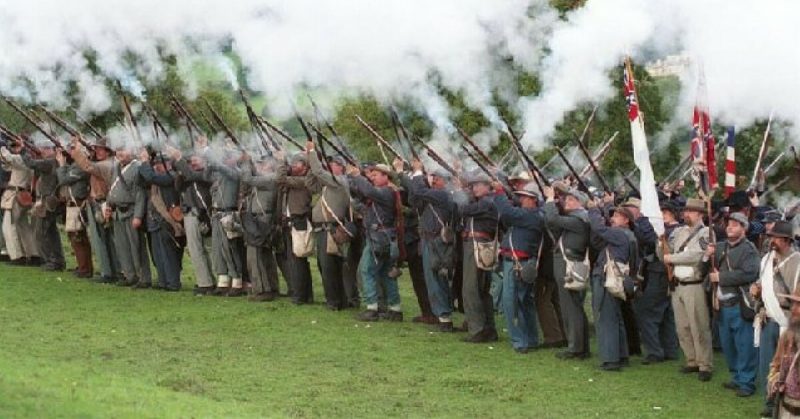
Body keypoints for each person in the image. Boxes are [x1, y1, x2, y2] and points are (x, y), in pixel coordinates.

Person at [707, 212, 761, 397]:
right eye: (729, 223)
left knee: (745, 345)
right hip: (722, 304)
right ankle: (736, 377)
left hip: (740, 303)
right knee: (728, 345)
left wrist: (721, 277)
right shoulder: (720, 247)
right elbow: (706, 265)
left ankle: (747, 382)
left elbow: (750, 273)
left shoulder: (749, 250)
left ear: (744, 229)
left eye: (735, 224)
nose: (730, 227)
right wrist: (708, 254)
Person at [660, 197, 714, 381]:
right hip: (678, 284)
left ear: (699, 214)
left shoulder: (706, 233)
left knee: (699, 325)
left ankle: (704, 364)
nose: (686, 214)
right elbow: (666, 252)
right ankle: (691, 360)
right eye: (685, 211)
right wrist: (660, 242)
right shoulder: (678, 232)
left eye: (690, 211)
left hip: (694, 284)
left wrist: (672, 258)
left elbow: (696, 256)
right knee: (682, 326)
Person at [753, 220, 800, 417]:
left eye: (776, 237)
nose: (772, 240)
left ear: (786, 240)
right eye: (771, 236)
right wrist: (756, 289)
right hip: (768, 318)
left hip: (790, 321)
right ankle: (770, 401)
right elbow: (761, 281)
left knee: (788, 367)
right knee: (768, 365)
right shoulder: (766, 259)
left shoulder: (797, 261)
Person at [348, 163, 403, 321]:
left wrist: (358, 176)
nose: (373, 177)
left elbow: (368, 191)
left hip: (378, 238)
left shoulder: (385, 191)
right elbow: (363, 195)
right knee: (387, 274)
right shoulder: (386, 192)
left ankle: (372, 307)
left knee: (366, 270)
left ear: (386, 176)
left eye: (377, 175)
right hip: (383, 237)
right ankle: (395, 309)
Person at [588, 194, 636, 371]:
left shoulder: (618, 234)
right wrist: (605, 207)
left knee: (606, 318)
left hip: (607, 278)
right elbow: (597, 238)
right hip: (614, 278)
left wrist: (593, 209)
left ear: (625, 220)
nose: (612, 219)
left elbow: (598, 228)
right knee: (615, 318)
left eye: (616, 216)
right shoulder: (626, 235)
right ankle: (621, 355)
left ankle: (610, 360)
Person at [408, 160, 458, 332]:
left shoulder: (442, 194)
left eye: (438, 178)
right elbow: (414, 198)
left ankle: (444, 317)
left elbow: (419, 190)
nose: (434, 180)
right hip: (430, 241)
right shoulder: (435, 195)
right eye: (433, 177)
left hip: (436, 242)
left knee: (436, 280)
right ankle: (442, 316)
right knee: (434, 280)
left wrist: (417, 172)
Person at [495, 183, 545, 353]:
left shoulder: (531, 215)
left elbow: (507, 212)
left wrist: (499, 191)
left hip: (517, 263)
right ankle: (531, 339)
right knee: (524, 303)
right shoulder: (531, 215)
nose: (521, 199)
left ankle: (519, 341)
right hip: (520, 263)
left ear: (533, 200)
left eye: (524, 197)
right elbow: (506, 217)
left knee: (512, 303)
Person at [544, 185, 591, 360]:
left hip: (568, 264)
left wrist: (549, 199)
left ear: (581, 204)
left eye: (572, 199)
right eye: (567, 198)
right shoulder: (577, 218)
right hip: (570, 264)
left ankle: (575, 348)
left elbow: (551, 220)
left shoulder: (578, 219)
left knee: (570, 307)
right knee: (574, 307)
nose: (567, 201)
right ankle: (580, 346)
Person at [457, 171, 499, 343]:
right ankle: (488, 328)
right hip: (479, 245)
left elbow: (465, 210)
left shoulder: (487, 202)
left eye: (478, 185)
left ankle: (478, 329)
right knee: (481, 290)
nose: (474, 188)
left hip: (478, 245)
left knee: (470, 289)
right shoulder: (485, 201)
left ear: (487, 186)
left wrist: (461, 193)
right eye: (473, 185)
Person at [71, 137, 119, 283]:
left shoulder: (105, 165)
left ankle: (107, 273)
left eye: (101, 149)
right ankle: (112, 271)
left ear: (108, 151)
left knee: (100, 240)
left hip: (100, 204)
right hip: (101, 203)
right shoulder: (110, 163)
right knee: (106, 240)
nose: (97, 151)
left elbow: (86, 166)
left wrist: (78, 149)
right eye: (96, 148)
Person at [168, 146, 215, 295]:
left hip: (204, 215)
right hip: (190, 214)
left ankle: (219, 281)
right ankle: (205, 282)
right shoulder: (187, 174)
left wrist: (179, 158)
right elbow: (178, 185)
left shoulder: (206, 173)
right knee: (195, 250)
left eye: (196, 158)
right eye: (191, 159)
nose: (193, 161)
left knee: (210, 250)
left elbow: (191, 174)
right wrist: (179, 168)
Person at [138, 150, 184, 291]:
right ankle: (163, 282)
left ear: (169, 163)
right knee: (158, 254)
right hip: (155, 220)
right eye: (156, 163)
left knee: (169, 254)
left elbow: (151, 177)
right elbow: (141, 180)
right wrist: (145, 164)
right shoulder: (157, 177)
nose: (157, 166)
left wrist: (145, 162)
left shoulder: (171, 176)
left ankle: (173, 283)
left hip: (168, 220)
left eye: (160, 163)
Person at [240, 151, 282, 302]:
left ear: (271, 165)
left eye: (263, 163)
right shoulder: (269, 178)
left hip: (261, 222)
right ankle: (271, 288)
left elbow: (247, 179)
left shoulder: (270, 178)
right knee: (265, 256)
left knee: (255, 256)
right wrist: (249, 162)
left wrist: (245, 163)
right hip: (261, 220)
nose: (260, 166)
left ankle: (262, 290)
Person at [107, 145, 150, 287]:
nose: (120, 153)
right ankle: (130, 275)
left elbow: (140, 194)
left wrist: (138, 216)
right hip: (118, 211)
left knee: (137, 246)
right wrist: (109, 205)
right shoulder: (117, 167)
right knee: (122, 246)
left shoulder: (137, 168)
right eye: (118, 150)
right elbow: (113, 188)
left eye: (123, 150)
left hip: (131, 211)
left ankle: (144, 278)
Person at [276, 152, 313, 304]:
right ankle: (303, 294)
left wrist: (281, 161)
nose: (293, 165)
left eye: (297, 163)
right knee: (295, 260)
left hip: (299, 221)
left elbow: (280, 178)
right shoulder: (296, 179)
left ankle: (301, 295)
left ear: (305, 167)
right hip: (291, 222)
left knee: (298, 259)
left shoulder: (303, 180)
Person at [0, 138, 40, 266]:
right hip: (21, 194)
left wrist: (2, 147)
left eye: (17, 146)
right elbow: (6, 165)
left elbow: (8, 157)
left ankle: (17, 256)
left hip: (15, 196)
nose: (14, 148)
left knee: (8, 227)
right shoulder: (28, 160)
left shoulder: (22, 159)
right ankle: (33, 254)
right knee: (23, 227)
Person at [55, 147, 93, 278]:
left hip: (77, 204)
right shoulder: (75, 165)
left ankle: (85, 269)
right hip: (73, 204)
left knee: (77, 237)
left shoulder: (80, 166)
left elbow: (64, 180)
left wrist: (61, 165)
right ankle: (83, 266)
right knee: (76, 237)